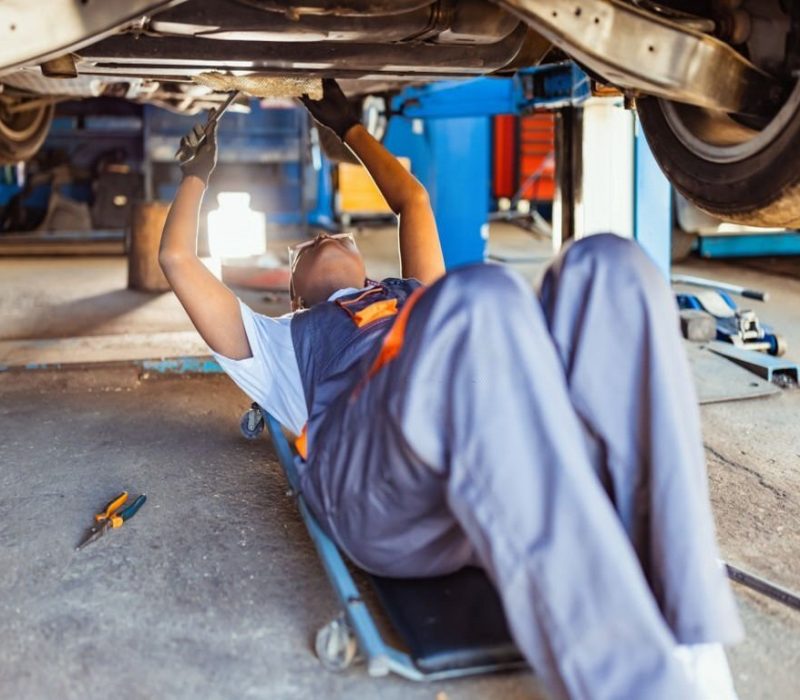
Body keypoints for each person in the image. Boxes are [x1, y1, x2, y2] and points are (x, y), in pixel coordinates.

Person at [159, 79, 743, 700]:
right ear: (295, 292)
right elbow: (178, 261)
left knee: (612, 268)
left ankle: (694, 648)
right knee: (478, 297)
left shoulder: (413, 296)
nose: (326, 236)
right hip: (381, 493)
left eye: (338, 236)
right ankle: (639, 688)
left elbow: (411, 201)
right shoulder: (278, 341)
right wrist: (199, 173)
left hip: (491, 455)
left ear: (370, 268)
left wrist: (348, 126)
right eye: (307, 245)